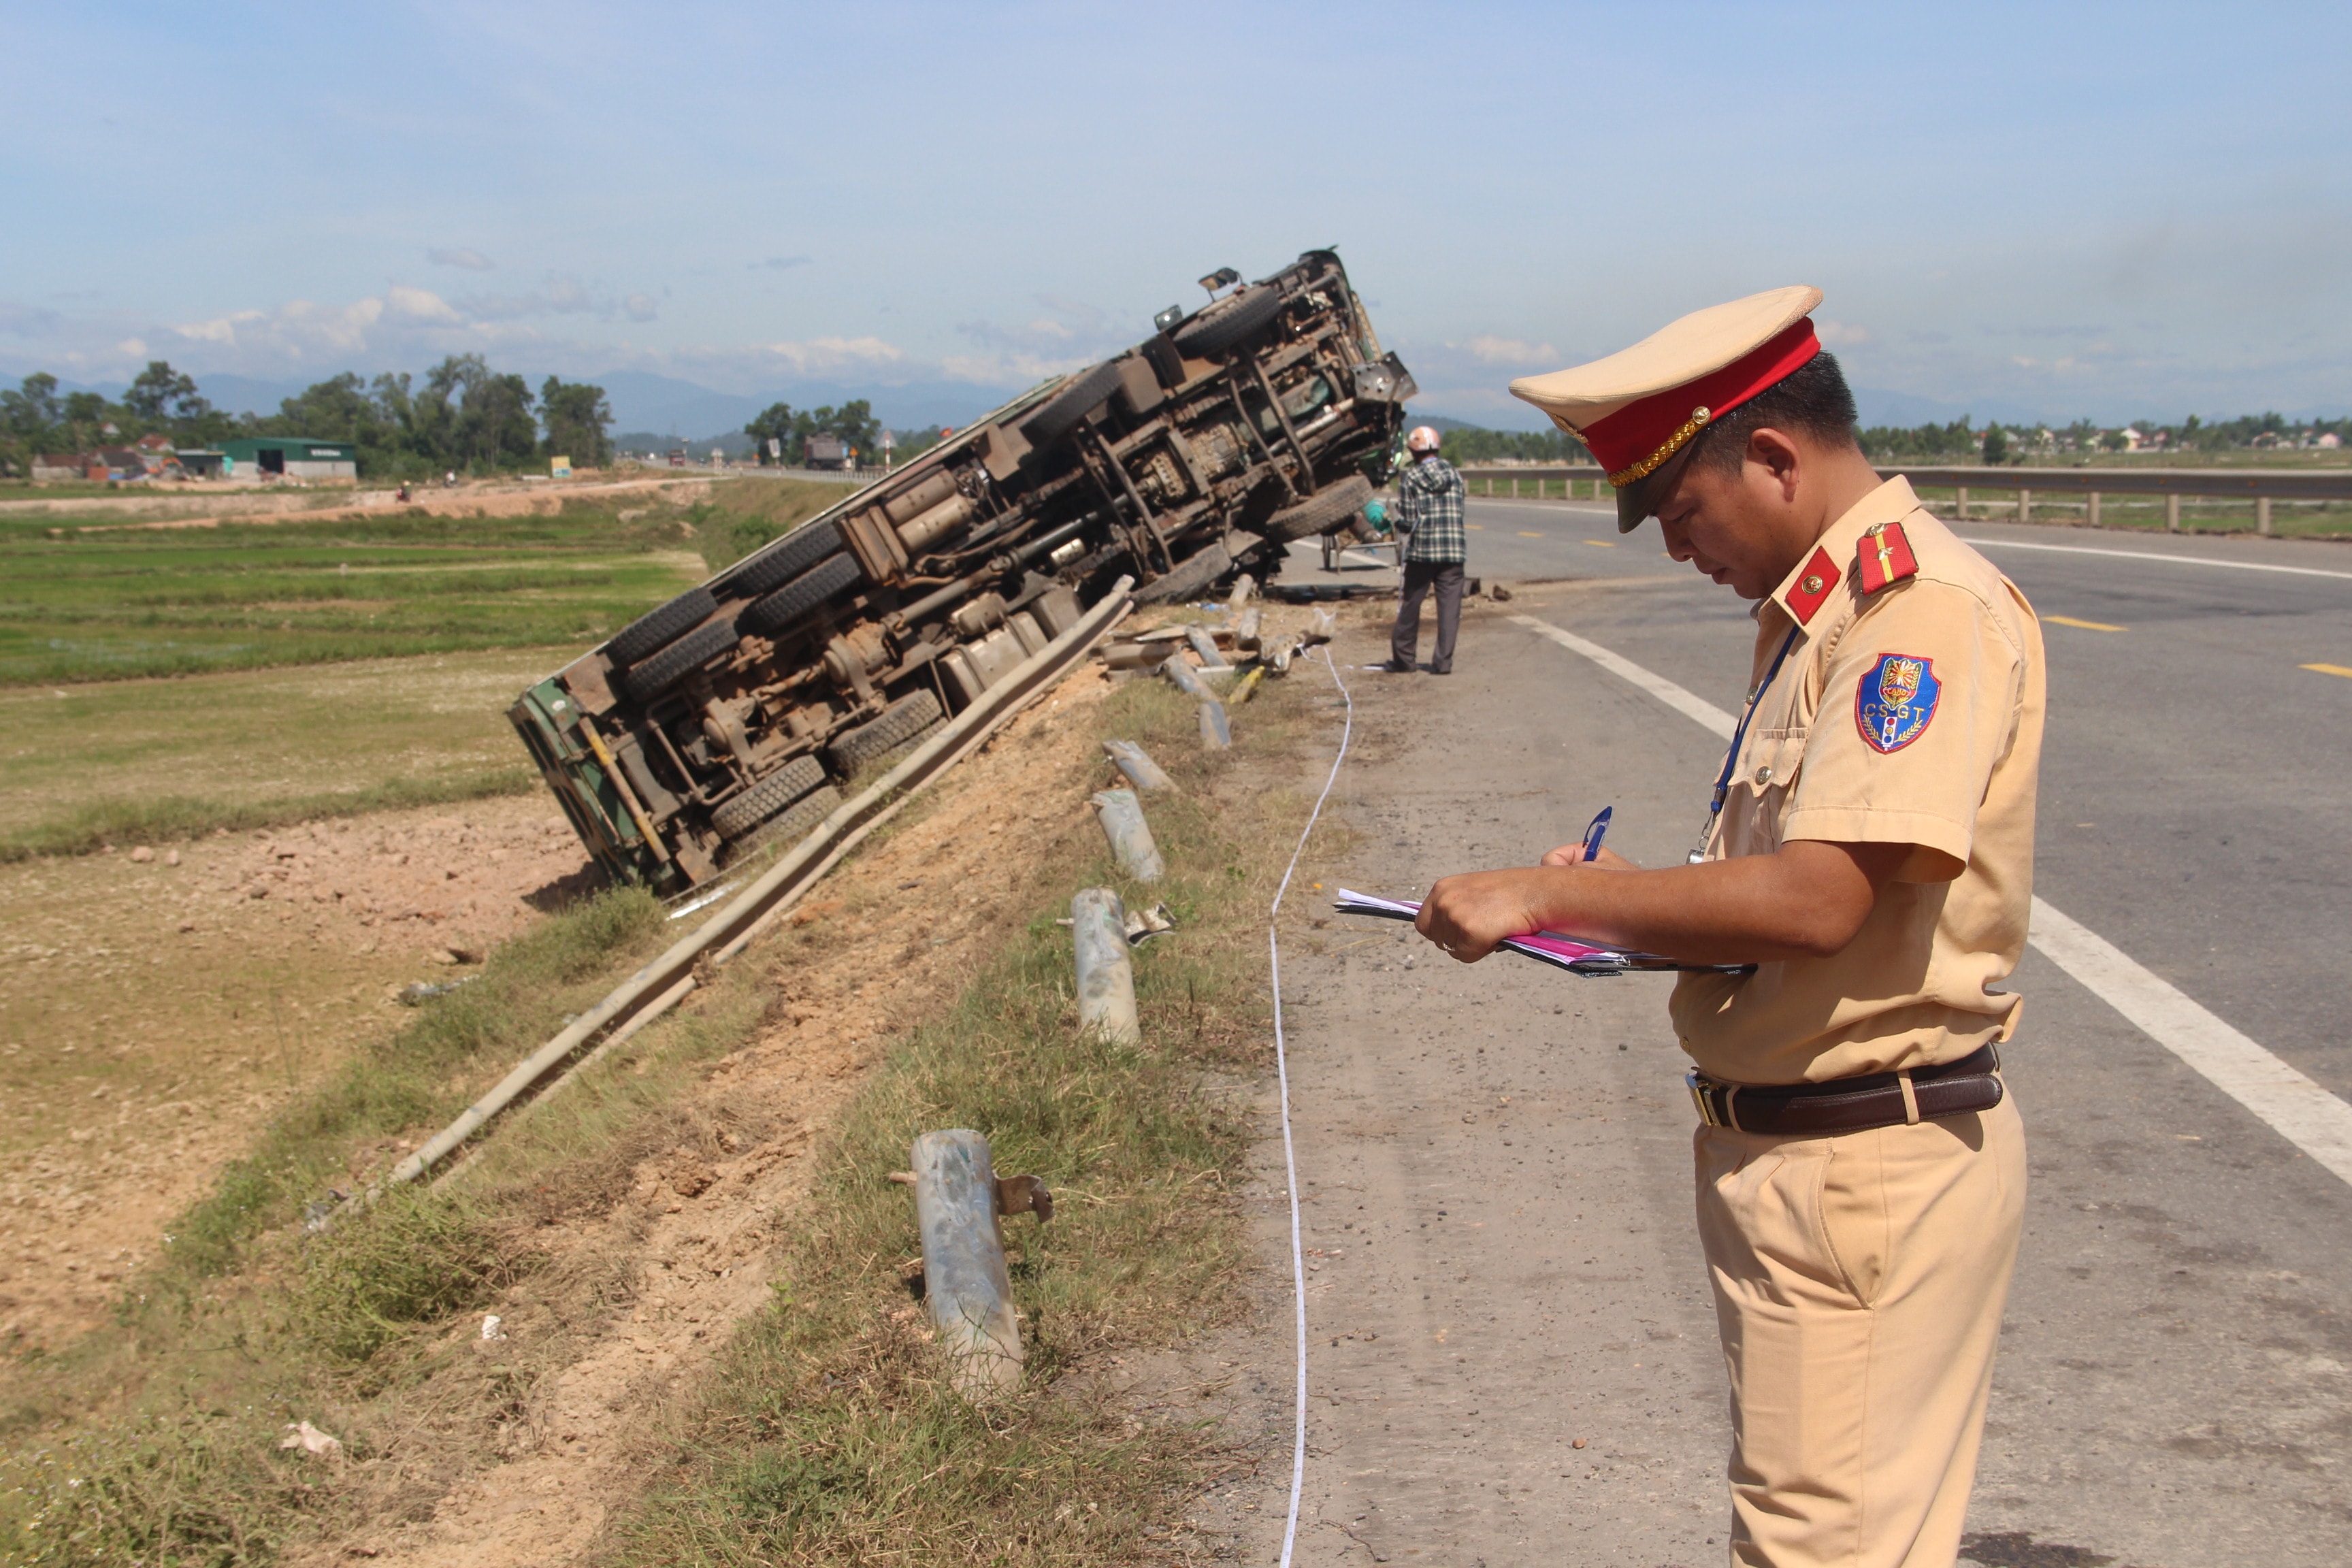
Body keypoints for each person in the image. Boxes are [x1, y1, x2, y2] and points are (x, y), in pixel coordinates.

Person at [1414, 286, 2045, 1568]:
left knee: (1820, 1547)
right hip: (1810, 1157)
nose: (1671, 548)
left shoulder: (1911, 614)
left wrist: (1553, 893)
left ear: (1772, 455)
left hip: (1859, 1161)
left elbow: (1820, 900)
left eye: (1679, 509)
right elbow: (1788, 900)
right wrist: (1633, 903)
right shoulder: (1825, 620)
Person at [1386, 425, 1467, 674]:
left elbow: (1409, 522)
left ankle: (1405, 659)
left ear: (1413, 451)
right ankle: (1443, 663)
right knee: (1450, 609)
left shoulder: (1410, 478)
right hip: (1454, 552)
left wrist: (1393, 519)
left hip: (1422, 551)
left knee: (1412, 603)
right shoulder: (1454, 474)